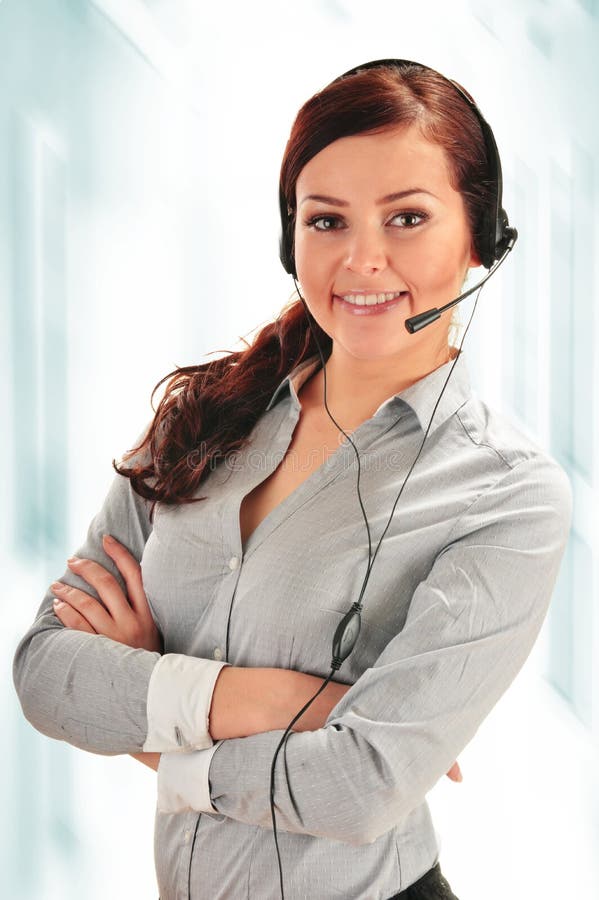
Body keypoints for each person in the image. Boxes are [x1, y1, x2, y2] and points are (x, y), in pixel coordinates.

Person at [13, 60, 572, 900]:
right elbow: (47, 675)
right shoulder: (205, 416)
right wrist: (288, 700)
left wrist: (149, 705)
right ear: (290, 239)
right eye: (326, 220)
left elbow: (358, 786)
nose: (362, 259)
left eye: (407, 217)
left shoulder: (506, 494)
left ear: (478, 238)